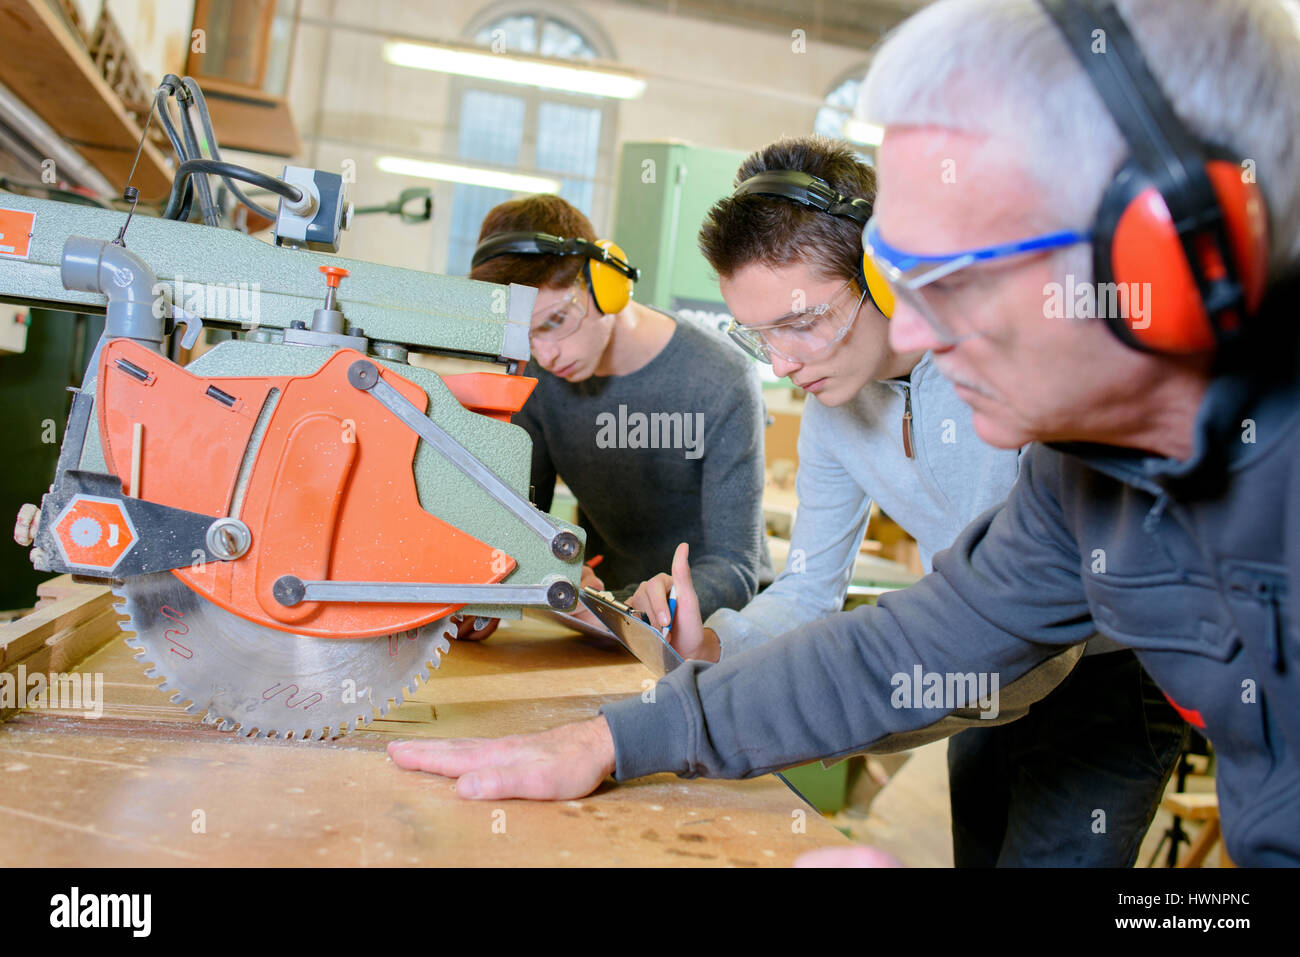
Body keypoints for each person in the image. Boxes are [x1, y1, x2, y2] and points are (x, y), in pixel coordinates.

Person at [389, 0, 1300, 866]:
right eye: (908, 282)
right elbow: (921, 647)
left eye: (955, 276)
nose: (915, 331)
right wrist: (620, 737)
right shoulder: (1081, 484)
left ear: (1175, 245)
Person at [622, 134, 1185, 867]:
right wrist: (714, 646)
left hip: (1114, 665)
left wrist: (778, 711)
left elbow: (1039, 621)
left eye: (802, 321)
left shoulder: (1009, 369)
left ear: (889, 277)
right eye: (761, 335)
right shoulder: (834, 410)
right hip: (976, 648)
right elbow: (807, 591)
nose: (785, 363)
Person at [465, 194, 768, 630]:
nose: (545, 355)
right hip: (604, 621)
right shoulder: (539, 380)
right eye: (526, 338)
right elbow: (522, 523)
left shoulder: (721, 378)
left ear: (606, 283)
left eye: (554, 322)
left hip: (716, 626)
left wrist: (643, 605)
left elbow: (738, 569)